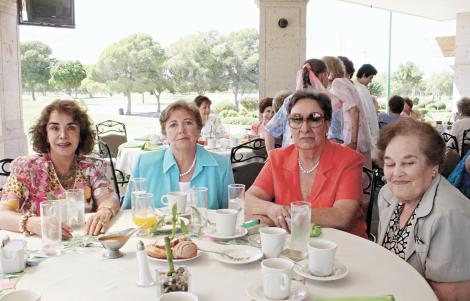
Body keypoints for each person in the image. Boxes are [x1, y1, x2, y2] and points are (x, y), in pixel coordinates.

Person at [246, 91, 367, 238]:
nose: (305, 128)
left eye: (314, 119)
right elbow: (248, 199)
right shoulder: (278, 158)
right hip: (292, 246)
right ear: (289, 125)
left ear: (327, 124)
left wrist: (284, 214)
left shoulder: (349, 160)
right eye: (296, 119)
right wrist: (271, 209)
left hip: (341, 246)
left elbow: (342, 216)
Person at [376, 118, 470, 300]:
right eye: (390, 163)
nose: (396, 173)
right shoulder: (388, 195)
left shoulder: (449, 215)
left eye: (409, 163)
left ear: (433, 166)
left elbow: (453, 296)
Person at [0, 100, 120, 237]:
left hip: (85, 246)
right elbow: (2, 215)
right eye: (54, 128)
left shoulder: (92, 166)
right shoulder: (26, 167)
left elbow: (110, 196)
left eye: (71, 127)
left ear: (81, 135)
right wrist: (31, 223)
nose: (63, 135)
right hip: (42, 248)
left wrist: (105, 210)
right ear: (46, 135)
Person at [123, 100, 234, 209]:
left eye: (188, 123)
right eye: (173, 125)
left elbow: (230, 216)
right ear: (165, 133)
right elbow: (127, 212)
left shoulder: (222, 166)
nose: (181, 130)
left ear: (199, 129)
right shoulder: (144, 164)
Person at [264, 59, 329, 153]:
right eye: (327, 74)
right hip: (317, 160)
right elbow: (334, 138)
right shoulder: (328, 101)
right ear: (323, 75)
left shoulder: (290, 99)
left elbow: (269, 130)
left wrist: (271, 158)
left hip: (289, 158)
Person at [323, 56, 372, 167]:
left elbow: (354, 110)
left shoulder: (337, 83)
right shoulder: (346, 82)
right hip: (354, 137)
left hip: (350, 138)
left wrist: (353, 142)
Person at [355, 64, 380, 146]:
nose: (371, 81)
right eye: (370, 78)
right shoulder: (361, 89)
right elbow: (368, 113)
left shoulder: (356, 87)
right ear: (364, 75)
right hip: (366, 132)